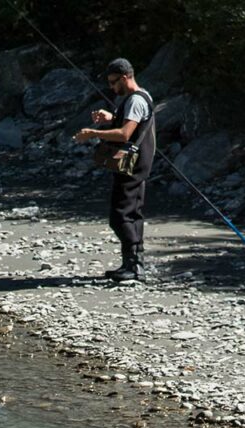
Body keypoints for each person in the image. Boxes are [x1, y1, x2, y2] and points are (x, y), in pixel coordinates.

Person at [73, 58, 156, 282]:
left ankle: (135, 266)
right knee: (131, 214)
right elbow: (129, 123)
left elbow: (125, 134)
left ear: (125, 77)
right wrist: (111, 118)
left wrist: (93, 133)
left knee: (120, 217)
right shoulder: (138, 97)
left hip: (131, 166)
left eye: (113, 82)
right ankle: (131, 264)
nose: (111, 87)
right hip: (135, 165)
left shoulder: (136, 100)